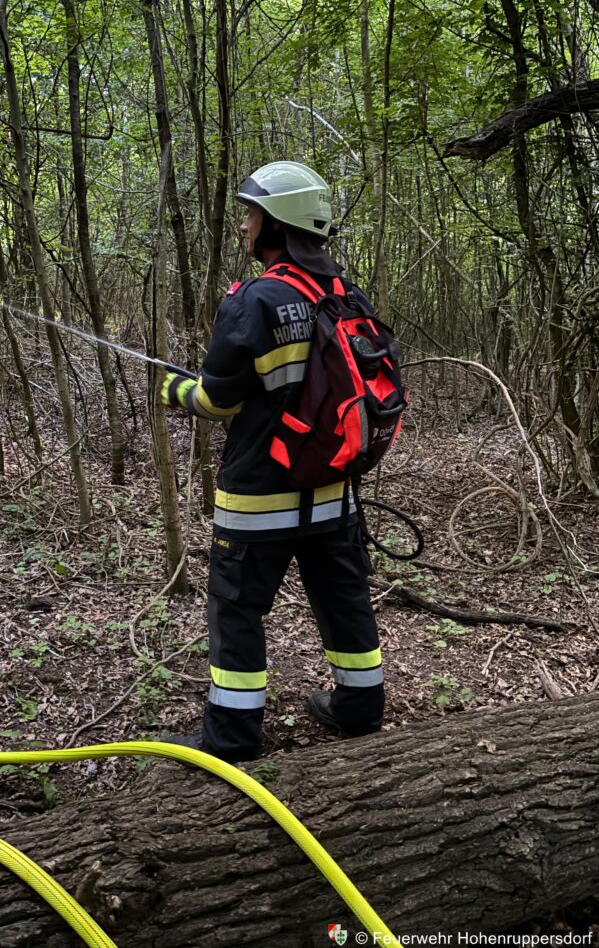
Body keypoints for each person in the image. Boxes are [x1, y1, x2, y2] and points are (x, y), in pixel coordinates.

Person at [161, 161, 384, 763]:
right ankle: (361, 709)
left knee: (236, 612)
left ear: (278, 224)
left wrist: (174, 389)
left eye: (252, 213)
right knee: (343, 599)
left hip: (259, 497)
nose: (243, 224)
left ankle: (231, 739)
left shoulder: (255, 300)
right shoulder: (345, 294)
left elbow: (218, 401)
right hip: (333, 489)